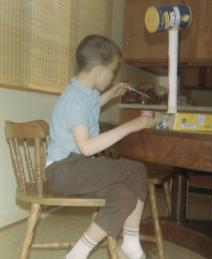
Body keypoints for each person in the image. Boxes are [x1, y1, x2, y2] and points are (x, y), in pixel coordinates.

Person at [46, 34, 155, 259]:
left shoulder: (82, 93)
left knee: (125, 195)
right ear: (98, 71)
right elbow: (86, 147)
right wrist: (132, 125)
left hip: (73, 168)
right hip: (65, 170)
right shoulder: (75, 99)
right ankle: (131, 243)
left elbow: (89, 107)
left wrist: (110, 95)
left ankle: (77, 254)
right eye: (113, 71)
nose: (113, 76)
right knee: (136, 169)